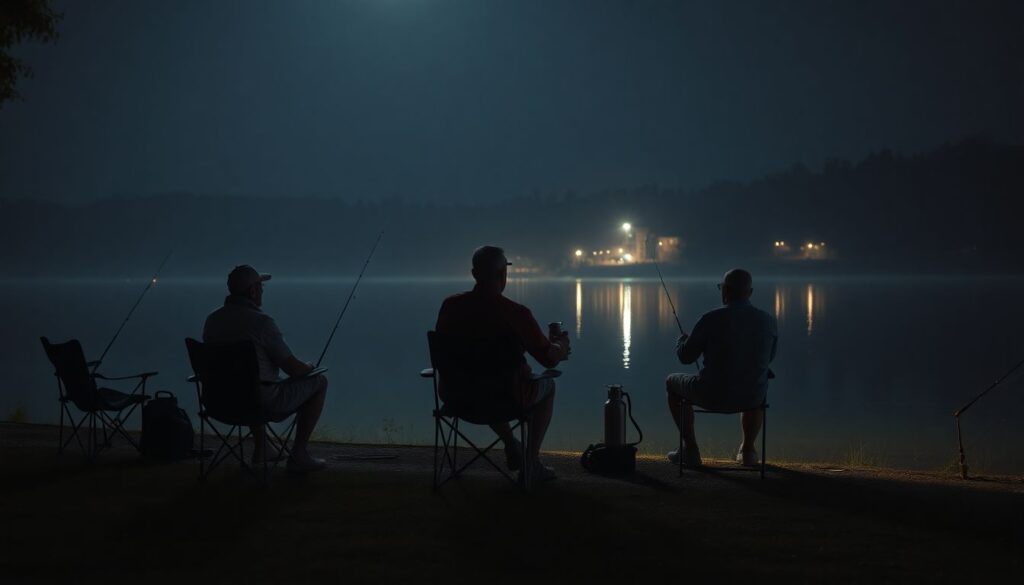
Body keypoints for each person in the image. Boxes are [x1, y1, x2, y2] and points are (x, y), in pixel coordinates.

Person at [435, 245, 571, 481]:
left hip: (457, 396)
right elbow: (548, 358)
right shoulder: (516, 314)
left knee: (482, 380)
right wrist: (561, 346)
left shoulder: (450, 307)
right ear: (503, 275)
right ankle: (530, 466)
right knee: (547, 385)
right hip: (505, 399)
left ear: (474, 274)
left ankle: (511, 444)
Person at [203, 265, 329, 474]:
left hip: (218, 403)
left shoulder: (212, 320)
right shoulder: (261, 323)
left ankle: (263, 448)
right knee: (319, 382)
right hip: (258, 404)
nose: (262, 291)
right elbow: (293, 369)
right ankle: (299, 455)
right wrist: (309, 366)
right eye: (261, 287)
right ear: (252, 291)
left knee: (247, 382)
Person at [666, 268, 777, 467]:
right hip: (752, 398)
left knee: (671, 382)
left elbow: (685, 357)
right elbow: (769, 359)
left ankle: (690, 450)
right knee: (757, 378)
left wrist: (681, 341)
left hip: (711, 395)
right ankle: (748, 451)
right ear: (749, 293)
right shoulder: (767, 321)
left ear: (725, 290)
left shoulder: (710, 319)